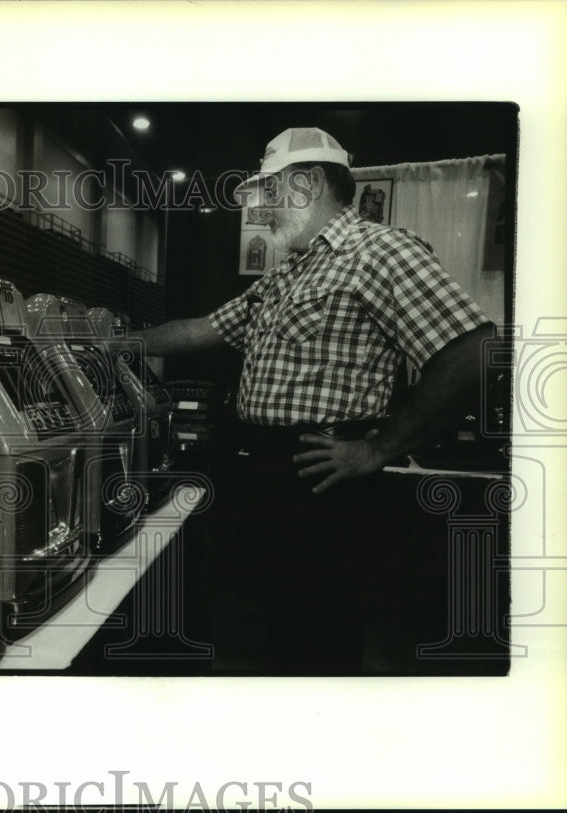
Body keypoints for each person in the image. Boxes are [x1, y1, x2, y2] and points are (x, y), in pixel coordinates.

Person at [130, 127, 494, 673]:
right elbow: (201, 329)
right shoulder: (286, 273)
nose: (263, 207)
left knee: (318, 634)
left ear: (308, 182)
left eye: (270, 191)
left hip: (323, 480)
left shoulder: (381, 250)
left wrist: (377, 449)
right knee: (276, 627)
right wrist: (116, 343)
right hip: (266, 472)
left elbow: (472, 350)